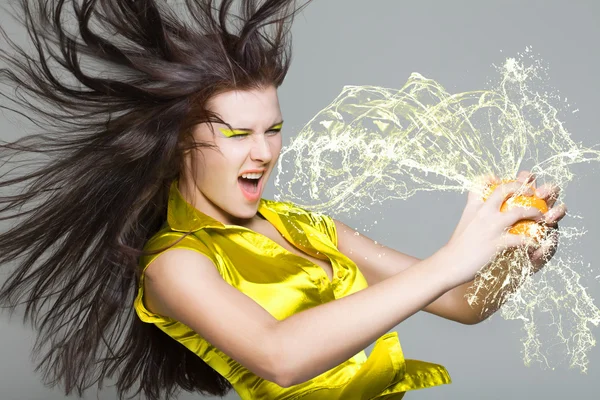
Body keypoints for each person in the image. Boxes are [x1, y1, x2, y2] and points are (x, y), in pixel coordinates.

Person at [0, 1, 566, 399]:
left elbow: (462, 303)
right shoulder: (173, 265)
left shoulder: (301, 226)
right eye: (238, 134)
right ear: (180, 143)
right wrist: (453, 258)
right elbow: (281, 357)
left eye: (273, 129)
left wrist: (513, 253)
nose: (264, 152)